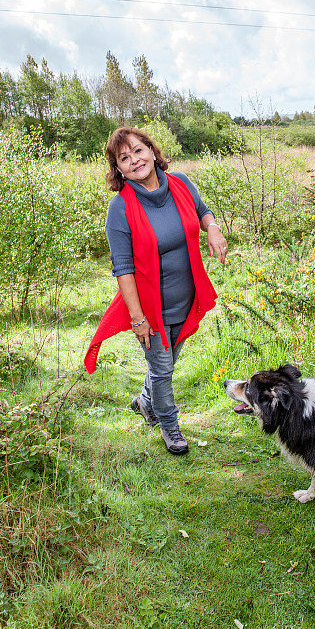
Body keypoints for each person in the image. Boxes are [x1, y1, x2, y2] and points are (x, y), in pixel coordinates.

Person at [84, 126, 227, 455]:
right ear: (118, 170)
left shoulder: (180, 183)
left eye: (138, 150)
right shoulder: (120, 209)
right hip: (150, 309)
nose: (134, 160)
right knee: (162, 370)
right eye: (124, 158)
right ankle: (169, 425)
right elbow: (122, 268)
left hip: (185, 300)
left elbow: (202, 211)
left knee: (166, 364)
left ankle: (145, 402)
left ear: (151, 150)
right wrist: (137, 318)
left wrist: (213, 230)